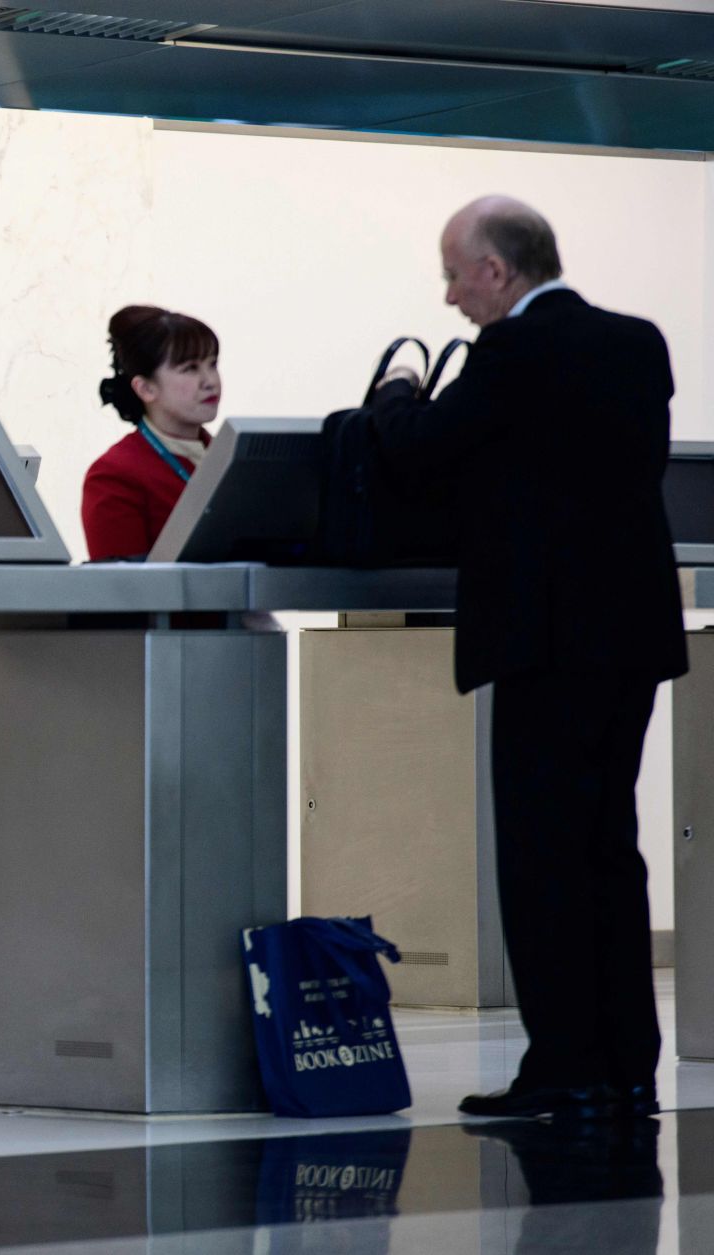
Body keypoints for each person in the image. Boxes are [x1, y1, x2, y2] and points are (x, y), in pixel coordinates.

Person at [371, 196, 687, 1121]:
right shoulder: (639, 343)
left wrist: (394, 393)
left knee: (544, 856)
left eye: (454, 274)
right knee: (608, 849)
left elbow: (423, 451)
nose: (449, 296)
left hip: (546, 641)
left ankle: (562, 1066)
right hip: (631, 638)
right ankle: (628, 1060)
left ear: (498, 272)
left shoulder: (515, 352)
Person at [81, 305, 221, 560]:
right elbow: (123, 591)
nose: (210, 380)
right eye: (190, 368)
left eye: (212, 364)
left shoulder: (231, 456)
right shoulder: (114, 475)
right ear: (145, 388)